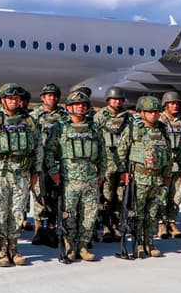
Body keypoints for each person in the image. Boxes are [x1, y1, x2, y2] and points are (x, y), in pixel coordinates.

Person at [0, 84, 41, 267]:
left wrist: (36, 172)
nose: (14, 101)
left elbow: (38, 148)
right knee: (1, 212)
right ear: (3, 100)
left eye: (17, 99)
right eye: (10, 98)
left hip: (21, 172)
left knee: (17, 212)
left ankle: (14, 248)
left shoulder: (29, 121)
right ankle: (1, 250)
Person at [44, 91, 106, 261]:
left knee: (90, 214)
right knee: (69, 214)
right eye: (76, 104)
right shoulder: (60, 128)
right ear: (69, 107)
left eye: (83, 105)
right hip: (68, 179)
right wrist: (53, 172)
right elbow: (48, 151)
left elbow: (102, 154)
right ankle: (70, 246)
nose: (80, 107)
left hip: (90, 178)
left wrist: (101, 173)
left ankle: (83, 246)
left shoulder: (94, 128)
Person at [118, 96, 172, 258]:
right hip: (139, 177)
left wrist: (167, 174)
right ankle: (138, 243)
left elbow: (168, 153)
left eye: (156, 112)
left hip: (157, 178)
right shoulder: (134, 128)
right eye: (149, 112)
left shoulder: (162, 129)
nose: (153, 115)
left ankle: (150, 241)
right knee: (138, 212)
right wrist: (123, 172)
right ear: (141, 112)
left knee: (153, 212)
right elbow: (122, 151)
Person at [30, 83, 68, 246]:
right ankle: (38, 230)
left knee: (56, 197)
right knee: (39, 196)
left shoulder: (64, 116)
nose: (52, 98)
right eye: (48, 95)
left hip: (57, 162)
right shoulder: (34, 116)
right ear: (43, 98)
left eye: (54, 95)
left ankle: (53, 228)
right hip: (39, 163)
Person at [94, 86, 131, 242]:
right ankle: (105, 226)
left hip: (123, 162)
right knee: (106, 196)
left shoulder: (128, 117)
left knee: (120, 196)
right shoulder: (100, 116)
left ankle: (116, 224)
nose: (116, 102)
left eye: (119, 99)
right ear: (108, 100)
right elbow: (94, 139)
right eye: (114, 99)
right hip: (106, 161)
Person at [158, 91, 181, 239]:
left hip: (178, 164)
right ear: (166, 105)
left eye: (177, 103)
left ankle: (172, 222)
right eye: (172, 103)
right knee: (162, 195)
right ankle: (161, 224)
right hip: (163, 165)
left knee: (176, 196)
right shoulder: (159, 121)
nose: (175, 106)